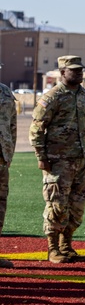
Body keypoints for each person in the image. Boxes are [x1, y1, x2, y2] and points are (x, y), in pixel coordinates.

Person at [29, 55, 85, 264]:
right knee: (56, 204)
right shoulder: (53, 97)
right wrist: (41, 156)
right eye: (74, 70)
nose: (79, 73)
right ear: (62, 72)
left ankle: (67, 246)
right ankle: (53, 249)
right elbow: (37, 127)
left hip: (81, 161)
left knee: (77, 206)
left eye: (80, 70)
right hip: (58, 161)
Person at [0, 76, 16, 269]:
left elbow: (12, 125)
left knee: (1, 205)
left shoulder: (5, 92)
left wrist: (9, 153)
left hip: (2, 157)